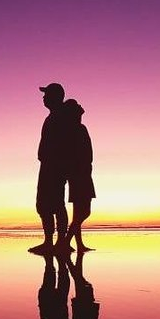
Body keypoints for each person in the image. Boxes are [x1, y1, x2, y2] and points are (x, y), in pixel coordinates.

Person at [29, 83, 69, 254]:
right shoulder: (54, 117)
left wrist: (58, 164)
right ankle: (51, 241)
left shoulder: (60, 117)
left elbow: (64, 144)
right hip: (48, 165)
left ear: (55, 96)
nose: (43, 98)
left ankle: (58, 242)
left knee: (53, 204)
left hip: (54, 167)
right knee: (46, 205)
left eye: (46, 95)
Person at [61, 99, 96, 252]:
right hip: (81, 174)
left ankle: (79, 245)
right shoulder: (78, 129)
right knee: (85, 212)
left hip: (78, 174)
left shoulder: (71, 129)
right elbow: (83, 154)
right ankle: (66, 241)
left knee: (77, 214)